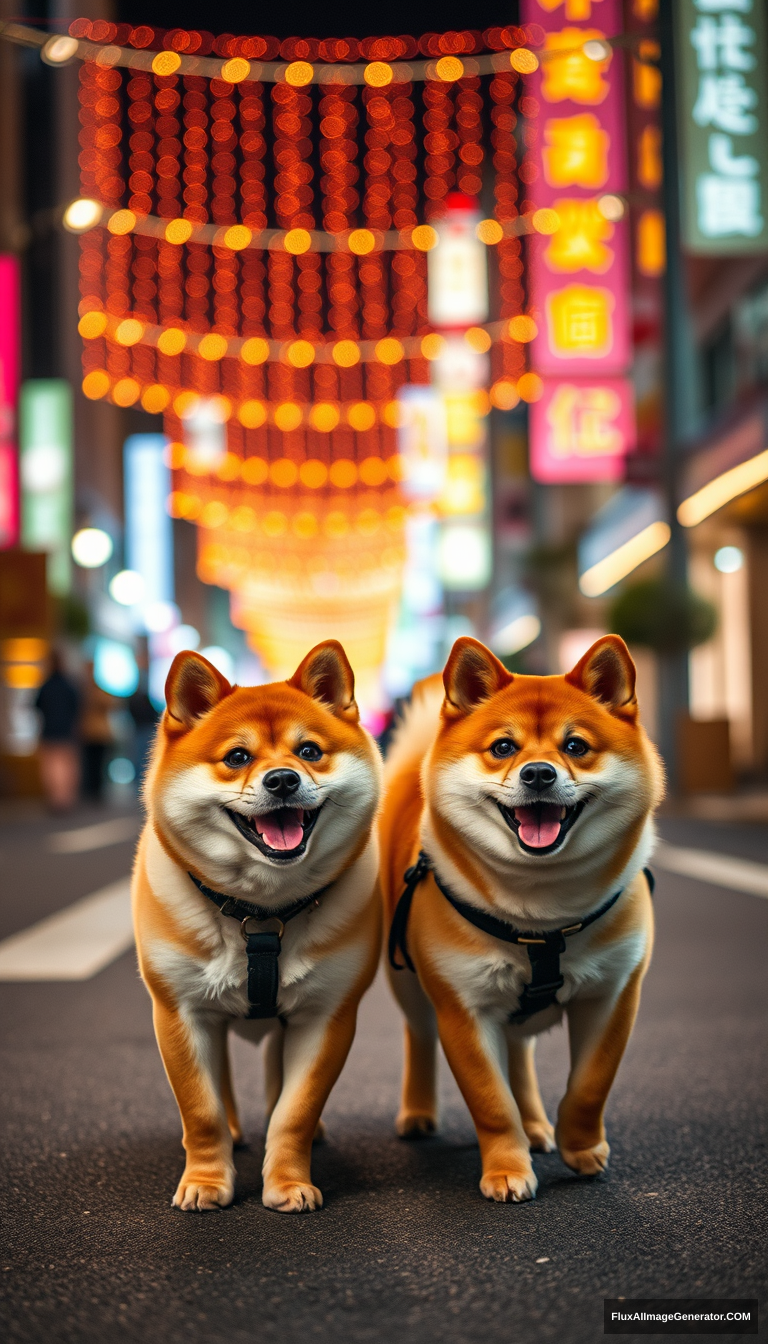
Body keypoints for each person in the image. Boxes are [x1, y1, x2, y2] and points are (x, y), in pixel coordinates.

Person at [34, 651, 81, 811]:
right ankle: (65, 800)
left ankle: (55, 800)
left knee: (51, 768)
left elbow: (37, 706)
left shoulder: (46, 685)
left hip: (49, 732)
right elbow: (77, 707)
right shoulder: (69, 685)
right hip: (66, 732)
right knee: (66, 768)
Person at [80, 663, 115, 800]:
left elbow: (110, 704)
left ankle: (98, 792)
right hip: (88, 732)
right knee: (90, 764)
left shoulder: (98, 690)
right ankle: (92, 791)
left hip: (100, 733)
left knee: (99, 764)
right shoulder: (82, 689)